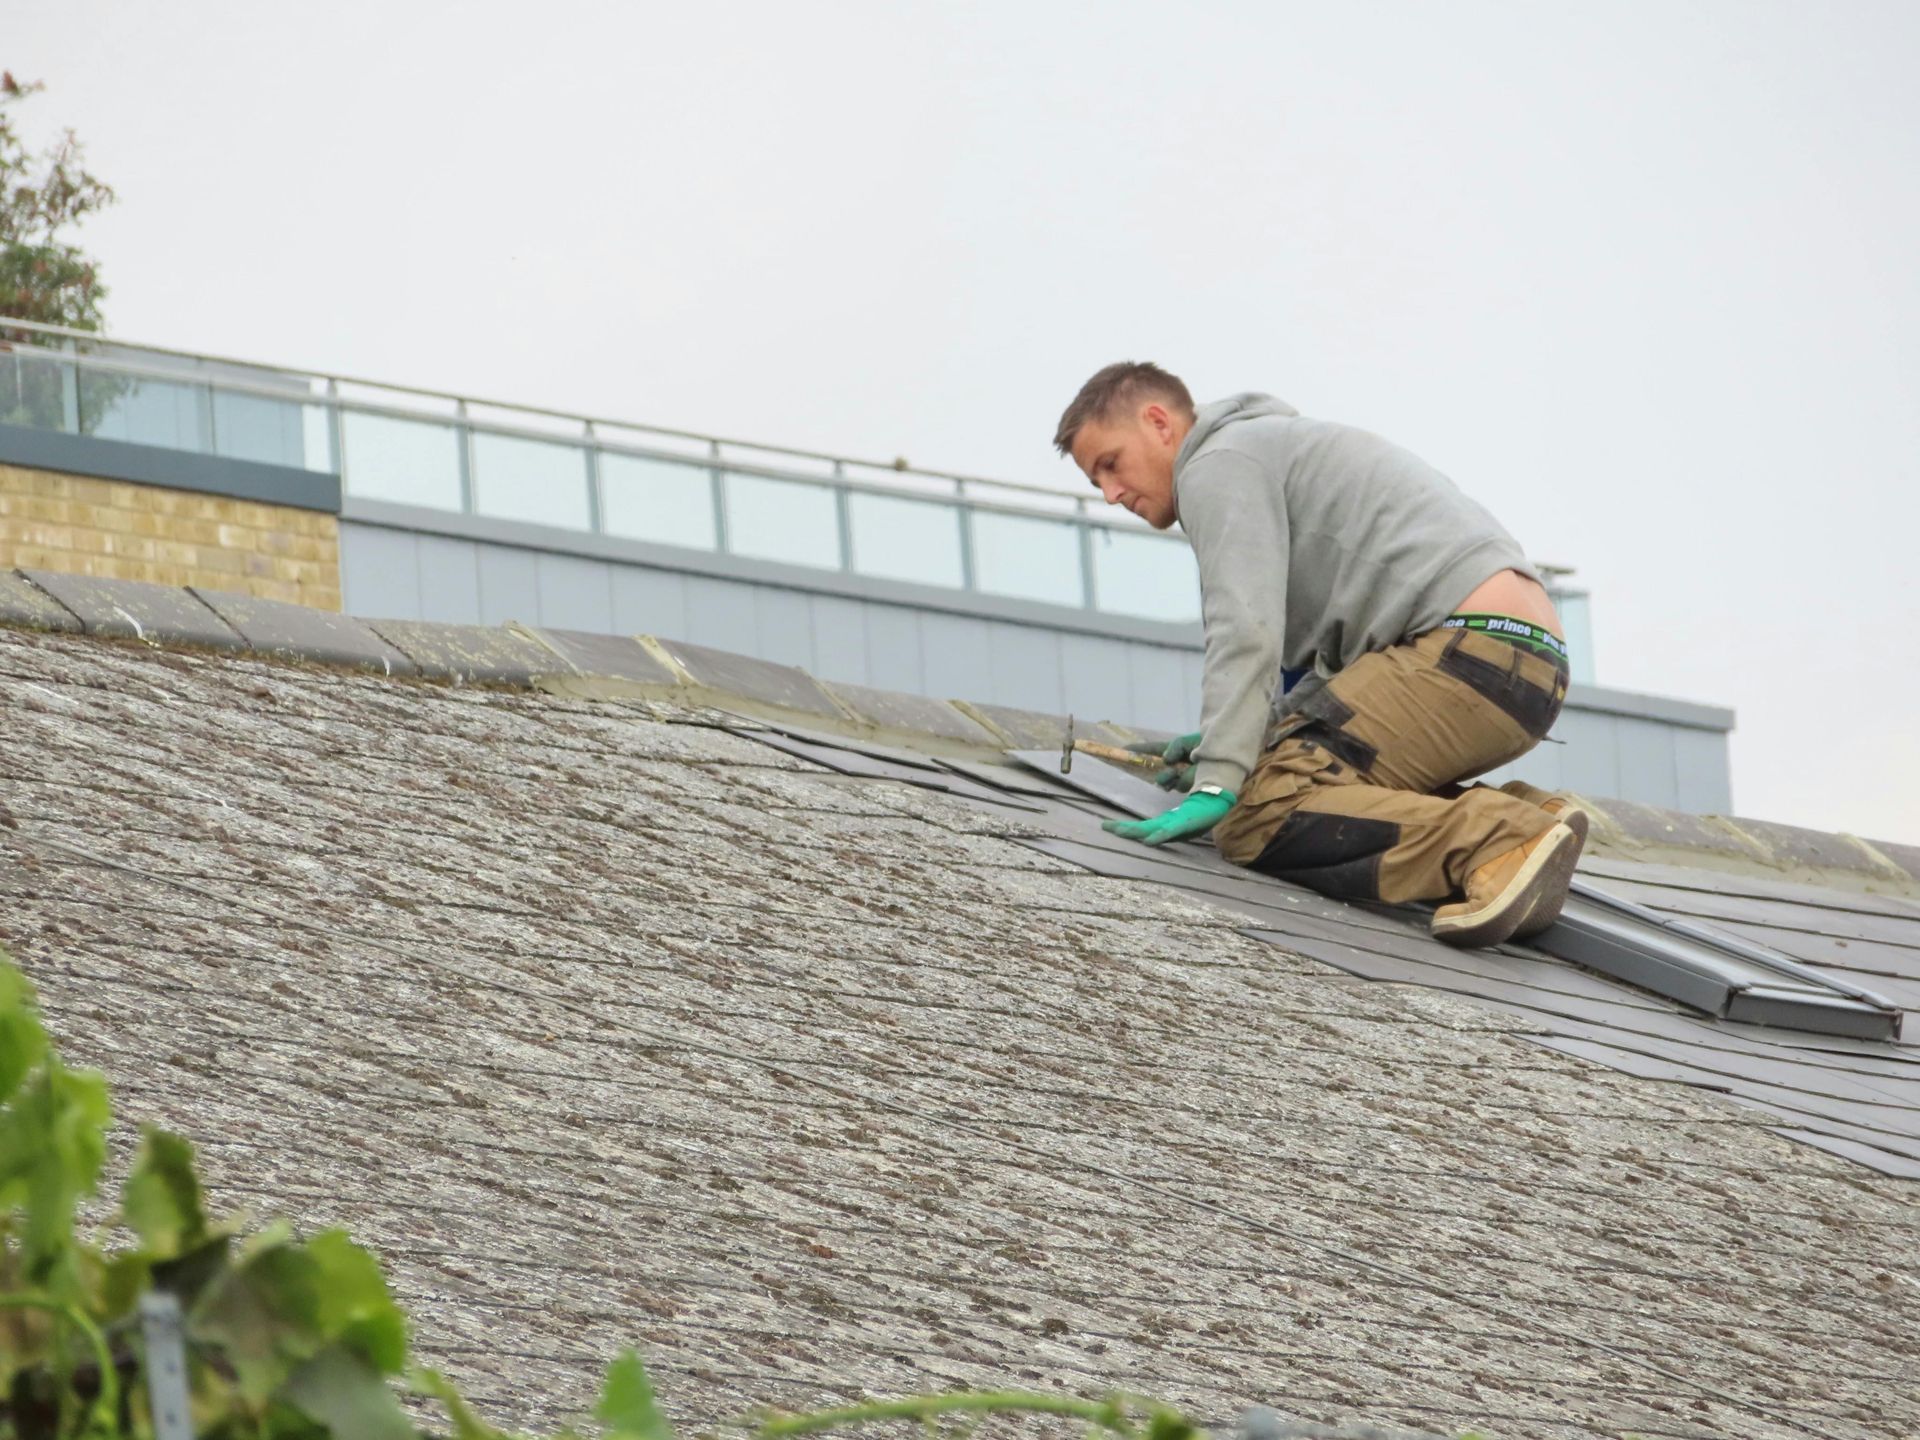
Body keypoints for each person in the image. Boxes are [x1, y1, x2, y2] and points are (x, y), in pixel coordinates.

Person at [1054, 361, 1583, 949]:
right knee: (1302, 769)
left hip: (1467, 653)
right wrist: (1241, 740)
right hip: (1523, 663)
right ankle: (1533, 819)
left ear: (1158, 423)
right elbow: (1332, 684)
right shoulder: (1269, 451)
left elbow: (1244, 628)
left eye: (1111, 464)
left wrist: (1219, 781)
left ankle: (1498, 840)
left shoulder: (1217, 463)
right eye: (1094, 480)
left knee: (1260, 813)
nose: (1109, 494)